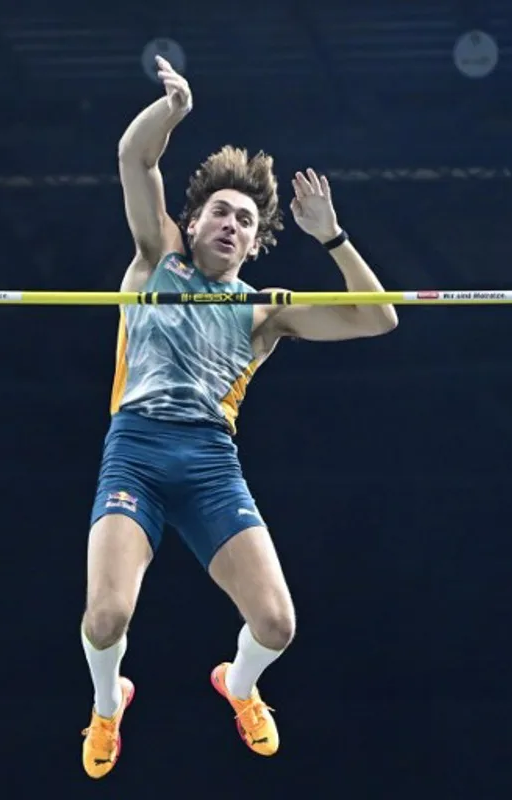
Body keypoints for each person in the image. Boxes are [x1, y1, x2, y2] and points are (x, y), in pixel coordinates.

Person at [79, 55, 399, 779]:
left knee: (277, 624)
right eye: (221, 211)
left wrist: (333, 237)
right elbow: (134, 157)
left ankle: (240, 684)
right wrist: (174, 108)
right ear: (193, 221)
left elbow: (378, 320)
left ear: (256, 245)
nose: (232, 223)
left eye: (247, 220)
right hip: (135, 451)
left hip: (209, 466)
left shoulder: (264, 309)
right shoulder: (155, 256)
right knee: (106, 618)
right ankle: (107, 706)